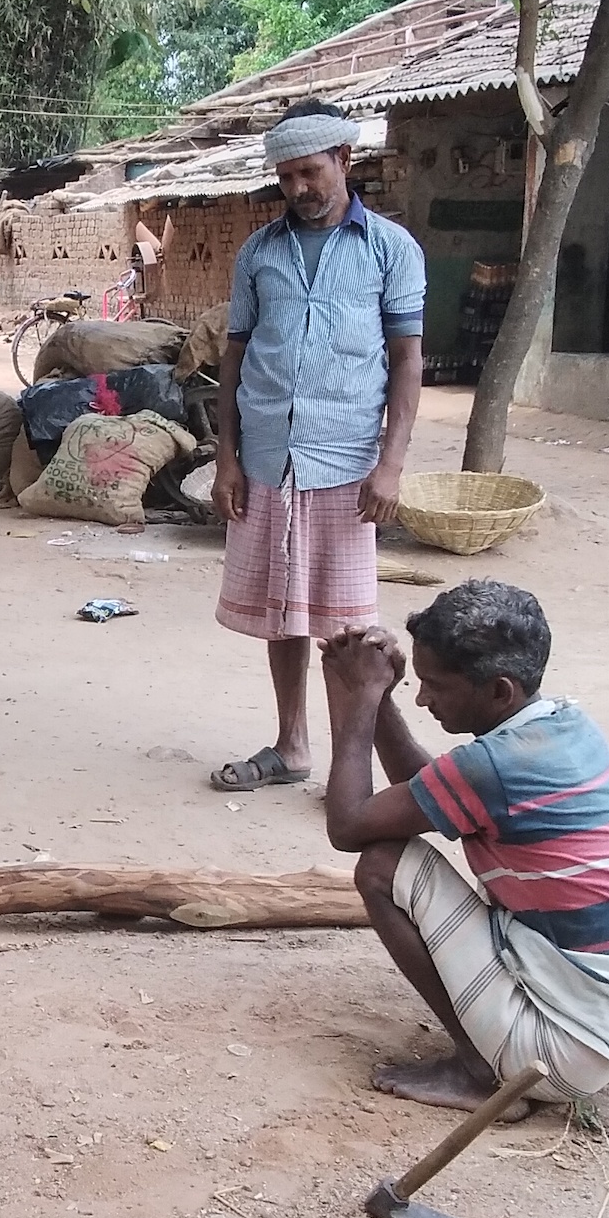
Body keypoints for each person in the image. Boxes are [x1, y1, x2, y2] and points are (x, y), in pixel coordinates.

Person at [315, 581, 609, 1115]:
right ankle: (495, 1051)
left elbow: (348, 826)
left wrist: (363, 698)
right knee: (396, 855)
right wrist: (382, 697)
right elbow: (427, 792)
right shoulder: (558, 726)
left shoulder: (496, 768)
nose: (425, 698)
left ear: (499, 692)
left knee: (382, 866)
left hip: (567, 1050)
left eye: (435, 685)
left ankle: (482, 1072)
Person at [208, 99, 425, 794]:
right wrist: (227, 458)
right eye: (286, 177)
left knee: (351, 624)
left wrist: (391, 464)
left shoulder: (391, 249)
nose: (298, 189)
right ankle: (292, 745)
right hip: (270, 458)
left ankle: (352, 765)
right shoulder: (259, 253)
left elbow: (407, 361)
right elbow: (234, 360)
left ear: (345, 162)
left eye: (310, 172)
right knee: (285, 611)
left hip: (347, 462)